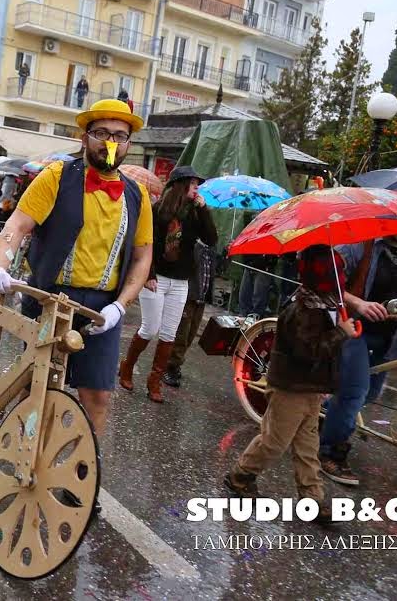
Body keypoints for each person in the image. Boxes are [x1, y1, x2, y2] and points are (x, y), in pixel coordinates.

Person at [0, 99, 153, 439]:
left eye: (120, 135)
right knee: (38, 385)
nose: (111, 142)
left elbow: (142, 256)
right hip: (49, 297)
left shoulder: (137, 194)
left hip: (101, 309)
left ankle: (78, 475)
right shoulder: (57, 176)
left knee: (98, 395)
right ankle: (22, 452)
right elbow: (16, 227)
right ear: (85, 137)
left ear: (129, 143)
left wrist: (121, 306)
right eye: (101, 132)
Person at [225, 245, 357, 520]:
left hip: (310, 389)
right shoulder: (302, 309)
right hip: (291, 388)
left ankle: (312, 497)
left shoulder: (325, 304)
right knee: (274, 441)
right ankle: (240, 475)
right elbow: (308, 351)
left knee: (308, 445)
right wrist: (340, 334)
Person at [319, 233, 397, 486]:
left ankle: (324, 416)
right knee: (354, 391)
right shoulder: (359, 243)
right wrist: (358, 303)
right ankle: (330, 453)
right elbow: (328, 281)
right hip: (352, 328)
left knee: (368, 395)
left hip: (390, 336)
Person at [118, 166, 216, 402]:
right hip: (156, 279)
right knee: (150, 328)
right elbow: (143, 244)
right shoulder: (156, 211)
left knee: (169, 334)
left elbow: (211, 239)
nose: (197, 189)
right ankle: (127, 366)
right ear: (182, 185)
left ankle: (154, 382)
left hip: (181, 281)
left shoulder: (194, 213)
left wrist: (204, 209)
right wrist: (148, 274)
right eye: (193, 184)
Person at [164, 240, 215, 388]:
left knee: (191, 333)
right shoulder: (194, 246)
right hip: (189, 296)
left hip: (201, 298)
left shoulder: (210, 249)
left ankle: (176, 364)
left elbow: (213, 272)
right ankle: (170, 366)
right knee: (182, 333)